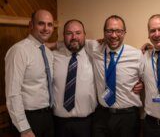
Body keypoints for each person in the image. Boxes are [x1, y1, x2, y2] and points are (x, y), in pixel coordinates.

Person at [85, 15, 143, 137]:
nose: (114, 35)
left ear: (124, 33)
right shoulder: (94, 48)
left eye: (118, 31)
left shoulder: (137, 55)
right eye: (109, 31)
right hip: (102, 115)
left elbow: (149, 78)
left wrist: (142, 83)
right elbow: (74, 40)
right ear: (104, 32)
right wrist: (49, 45)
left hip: (127, 118)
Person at [5, 9, 55, 137]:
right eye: (41, 23)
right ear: (31, 25)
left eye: (50, 24)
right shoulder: (19, 51)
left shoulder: (48, 53)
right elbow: (12, 93)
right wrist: (24, 128)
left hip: (48, 116)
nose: (46, 28)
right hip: (28, 118)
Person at [52, 19, 97, 137]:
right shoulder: (52, 56)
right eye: (69, 33)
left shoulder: (95, 57)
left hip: (87, 123)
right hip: (58, 123)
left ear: (84, 35)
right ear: (63, 36)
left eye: (78, 33)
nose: (74, 37)